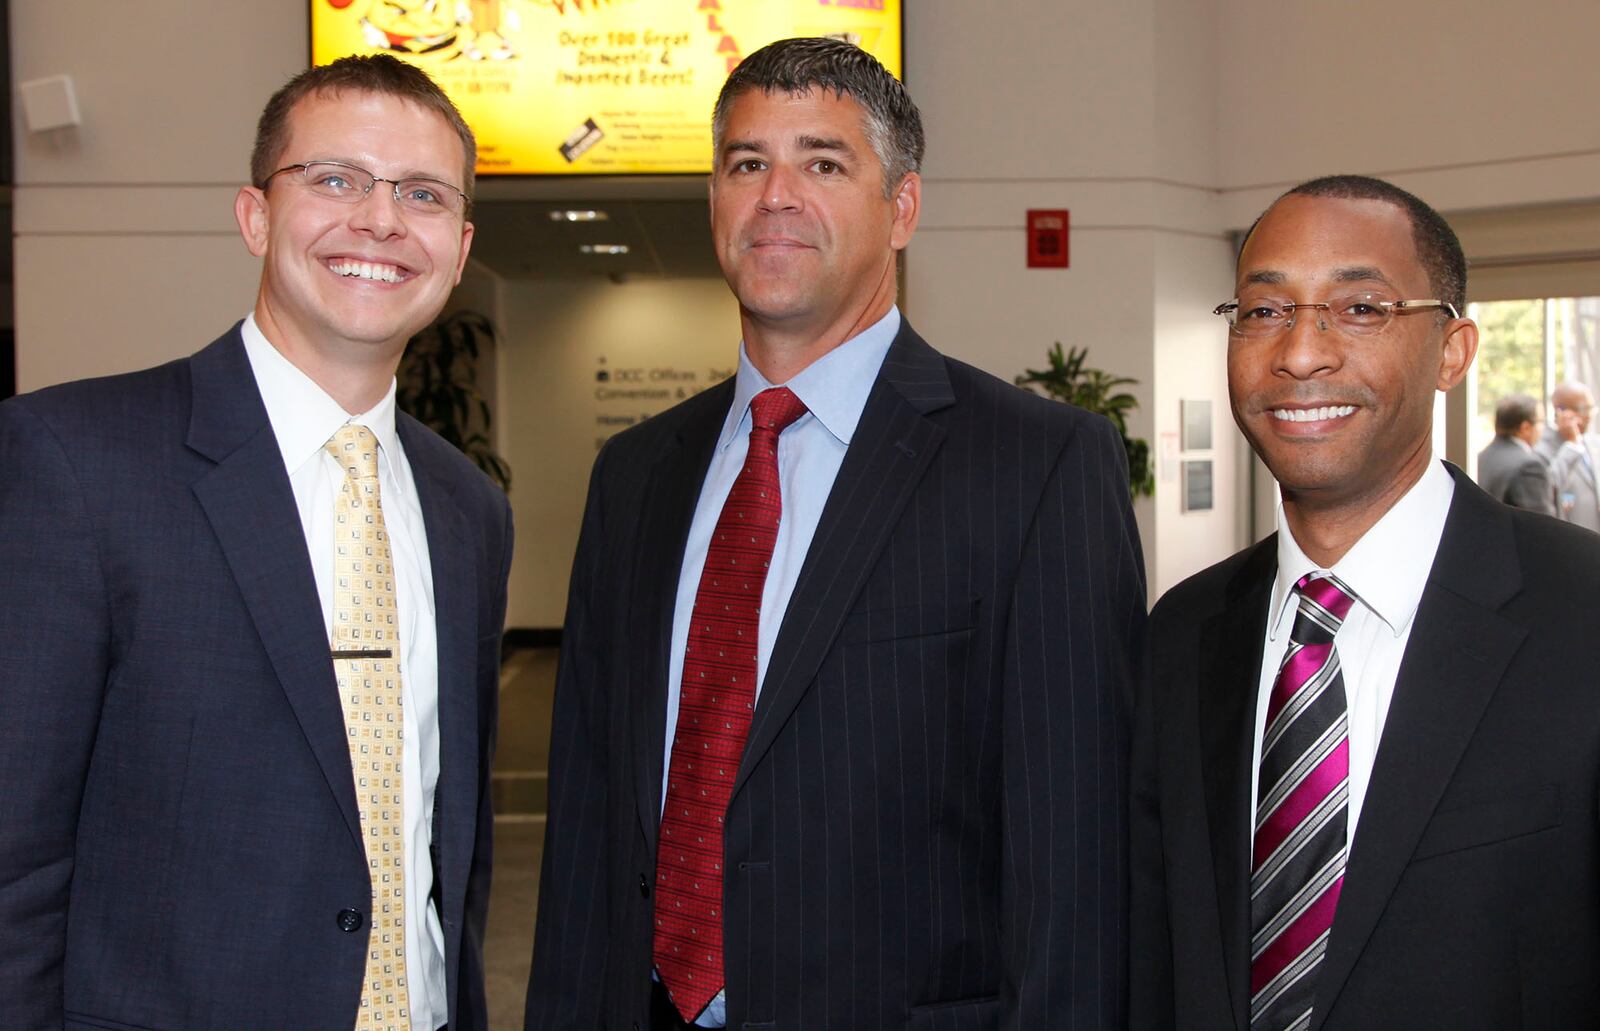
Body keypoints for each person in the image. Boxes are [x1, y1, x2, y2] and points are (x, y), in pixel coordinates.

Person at [526, 37, 1145, 1031]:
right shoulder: (635, 477)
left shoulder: (1037, 467)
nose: (775, 194)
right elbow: (589, 822)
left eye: (821, 162)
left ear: (900, 208)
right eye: (745, 163)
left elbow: (1078, 860)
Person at [0, 55, 512, 1030]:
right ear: (255, 216)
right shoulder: (75, 459)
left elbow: (451, 844)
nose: (379, 219)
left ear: (457, 246)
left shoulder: (467, 508)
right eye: (333, 180)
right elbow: (14, 856)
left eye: (422, 194)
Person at [1131, 174, 1600, 1031]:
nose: (1301, 353)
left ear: (1454, 352)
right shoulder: (1183, 633)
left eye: (1361, 309)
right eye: (1265, 312)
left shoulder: (1581, 615)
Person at [1475, 392, 1556, 515]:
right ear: (1526, 428)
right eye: (1541, 422)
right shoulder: (1529, 467)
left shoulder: (1481, 457)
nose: (1544, 428)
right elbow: (1542, 526)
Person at [1539, 382, 1600, 530]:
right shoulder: (1543, 449)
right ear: (1560, 411)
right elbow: (1549, 486)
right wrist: (1571, 445)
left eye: (1591, 409)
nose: (1589, 416)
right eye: (1584, 409)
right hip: (1572, 536)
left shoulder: (1594, 442)